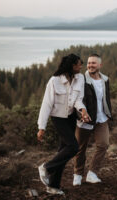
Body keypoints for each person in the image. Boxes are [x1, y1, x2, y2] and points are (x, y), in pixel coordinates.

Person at [37, 53, 90, 195]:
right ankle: (46, 167)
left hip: (71, 117)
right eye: (79, 64)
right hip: (58, 118)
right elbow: (46, 105)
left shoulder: (80, 78)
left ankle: (53, 186)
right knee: (73, 147)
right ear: (72, 66)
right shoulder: (54, 81)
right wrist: (41, 127)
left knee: (63, 151)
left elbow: (79, 99)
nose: (81, 66)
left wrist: (83, 110)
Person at [73, 53, 112, 186]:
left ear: (100, 65)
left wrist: (108, 113)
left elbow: (106, 99)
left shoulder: (105, 80)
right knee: (80, 148)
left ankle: (92, 173)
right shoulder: (81, 80)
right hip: (85, 120)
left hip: (102, 119)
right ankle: (77, 174)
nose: (90, 65)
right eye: (89, 63)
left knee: (103, 144)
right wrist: (81, 115)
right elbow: (76, 100)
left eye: (93, 63)